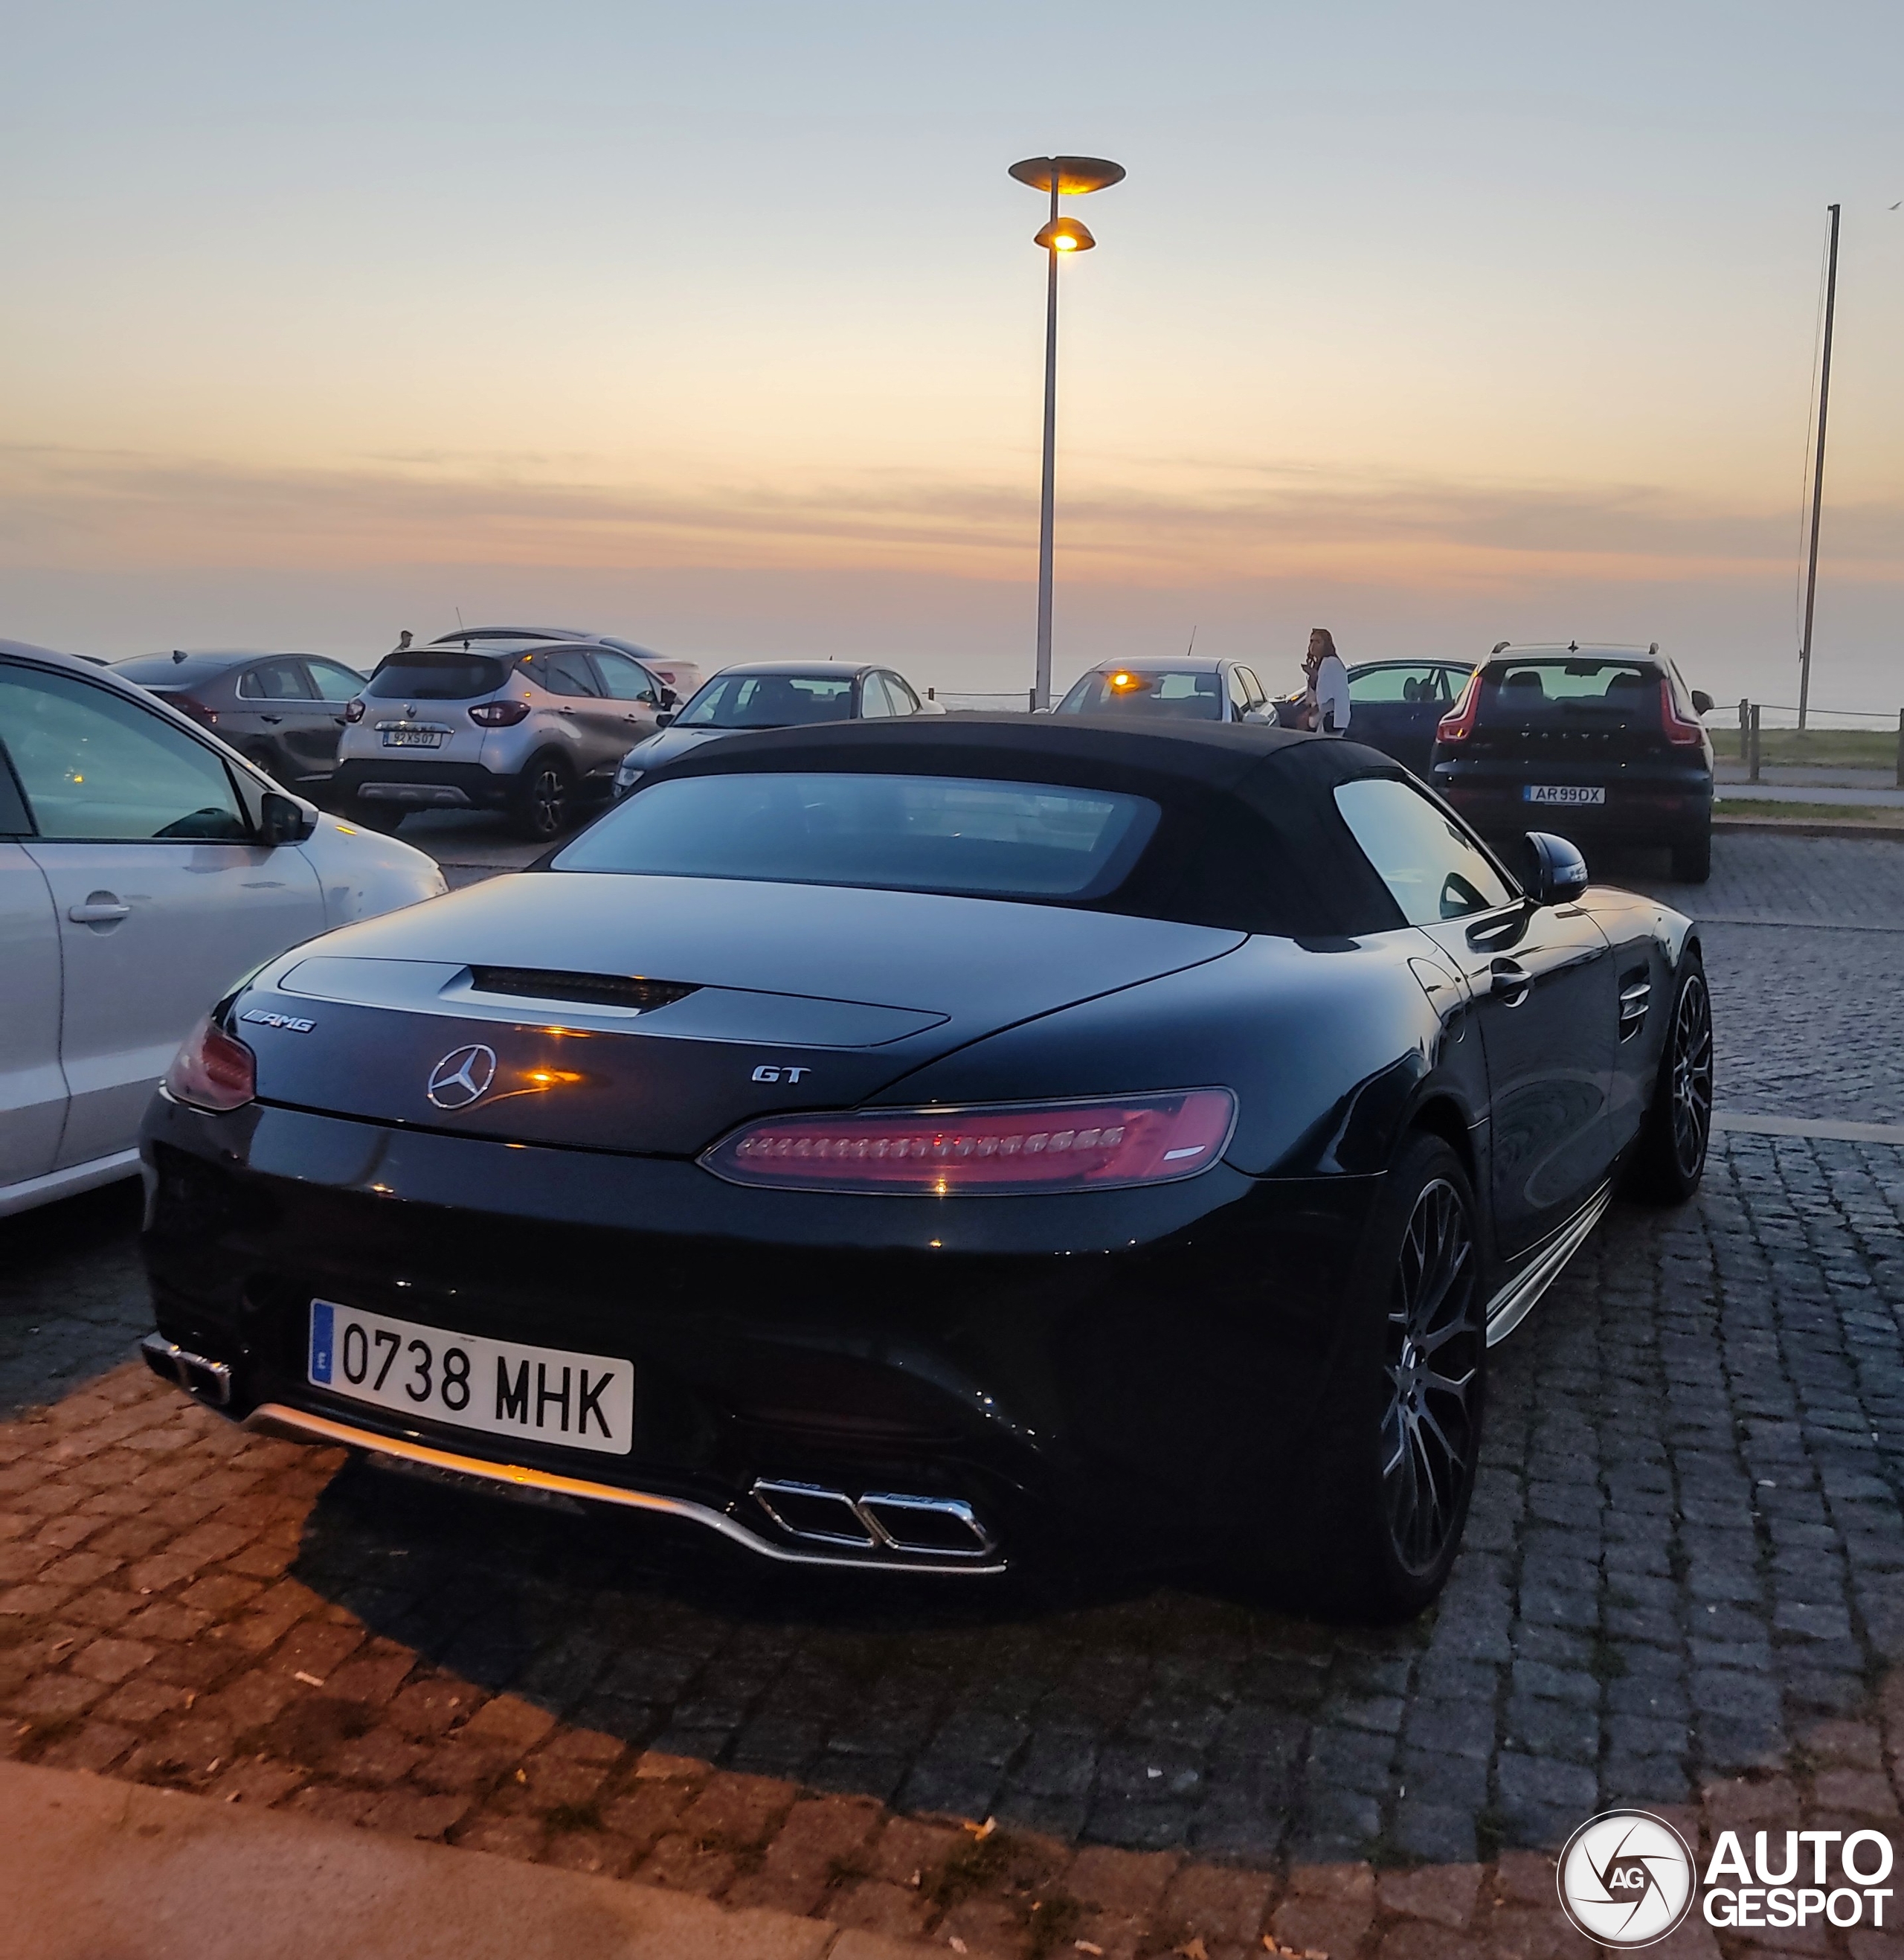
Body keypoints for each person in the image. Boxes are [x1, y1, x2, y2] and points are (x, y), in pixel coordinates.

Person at [1302, 628, 1351, 736]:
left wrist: (1312, 711)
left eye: (1318, 642)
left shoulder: (1330, 663)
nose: (1313, 645)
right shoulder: (1323, 663)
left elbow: (1326, 696)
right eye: (1311, 641)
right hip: (1330, 718)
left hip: (1331, 718)